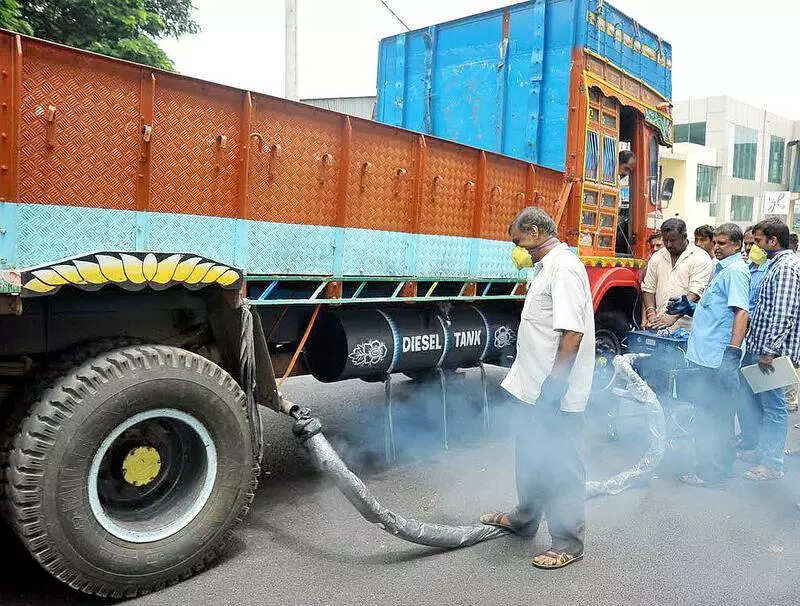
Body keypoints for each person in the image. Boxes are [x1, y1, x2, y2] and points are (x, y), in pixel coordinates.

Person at [481, 206, 594, 570]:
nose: (516, 248)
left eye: (517, 240)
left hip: (552, 391)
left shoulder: (563, 268)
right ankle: (525, 518)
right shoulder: (545, 267)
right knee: (530, 453)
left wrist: (554, 388)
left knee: (559, 461)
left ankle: (567, 541)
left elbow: (572, 332)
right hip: (532, 387)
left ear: (533, 230)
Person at [670, 224, 749, 486]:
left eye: (723, 243)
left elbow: (741, 313)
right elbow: (717, 312)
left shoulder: (735, 271)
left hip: (717, 358)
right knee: (717, 414)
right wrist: (691, 308)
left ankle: (710, 472)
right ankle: (719, 467)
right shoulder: (722, 268)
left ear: (737, 245)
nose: (716, 248)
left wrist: (732, 352)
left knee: (710, 416)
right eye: (715, 243)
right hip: (708, 355)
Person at [740, 218, 800, 481]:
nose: (755, 246)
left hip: (774, 353)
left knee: (774, 408)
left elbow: (784, 314)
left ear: (772, 241)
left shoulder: (786, 267)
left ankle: (773, 464)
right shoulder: (773, 265)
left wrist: (769, 350)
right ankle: (762, 451)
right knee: (762, 404)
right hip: (764, 348)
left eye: (758, 241)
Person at [641, 218, 713, 331]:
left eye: (673, 240)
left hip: (689, 329)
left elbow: (695, 293)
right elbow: (648, 289)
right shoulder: (657, 257)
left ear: (684, 236)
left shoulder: (700, 257)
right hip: (660, 327)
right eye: (665, 240)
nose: (668, 244)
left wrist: (672, 316)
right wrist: (651, 314)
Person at [736, 226, 771, 451]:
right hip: (744, 340)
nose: (749, 248)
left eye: (753, 244)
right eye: (747, 244)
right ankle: (748, 438)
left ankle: (761, 445)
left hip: (761, 340)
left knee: (762, 397)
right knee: (743, 394)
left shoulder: (769, 270)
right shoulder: (747, 268)